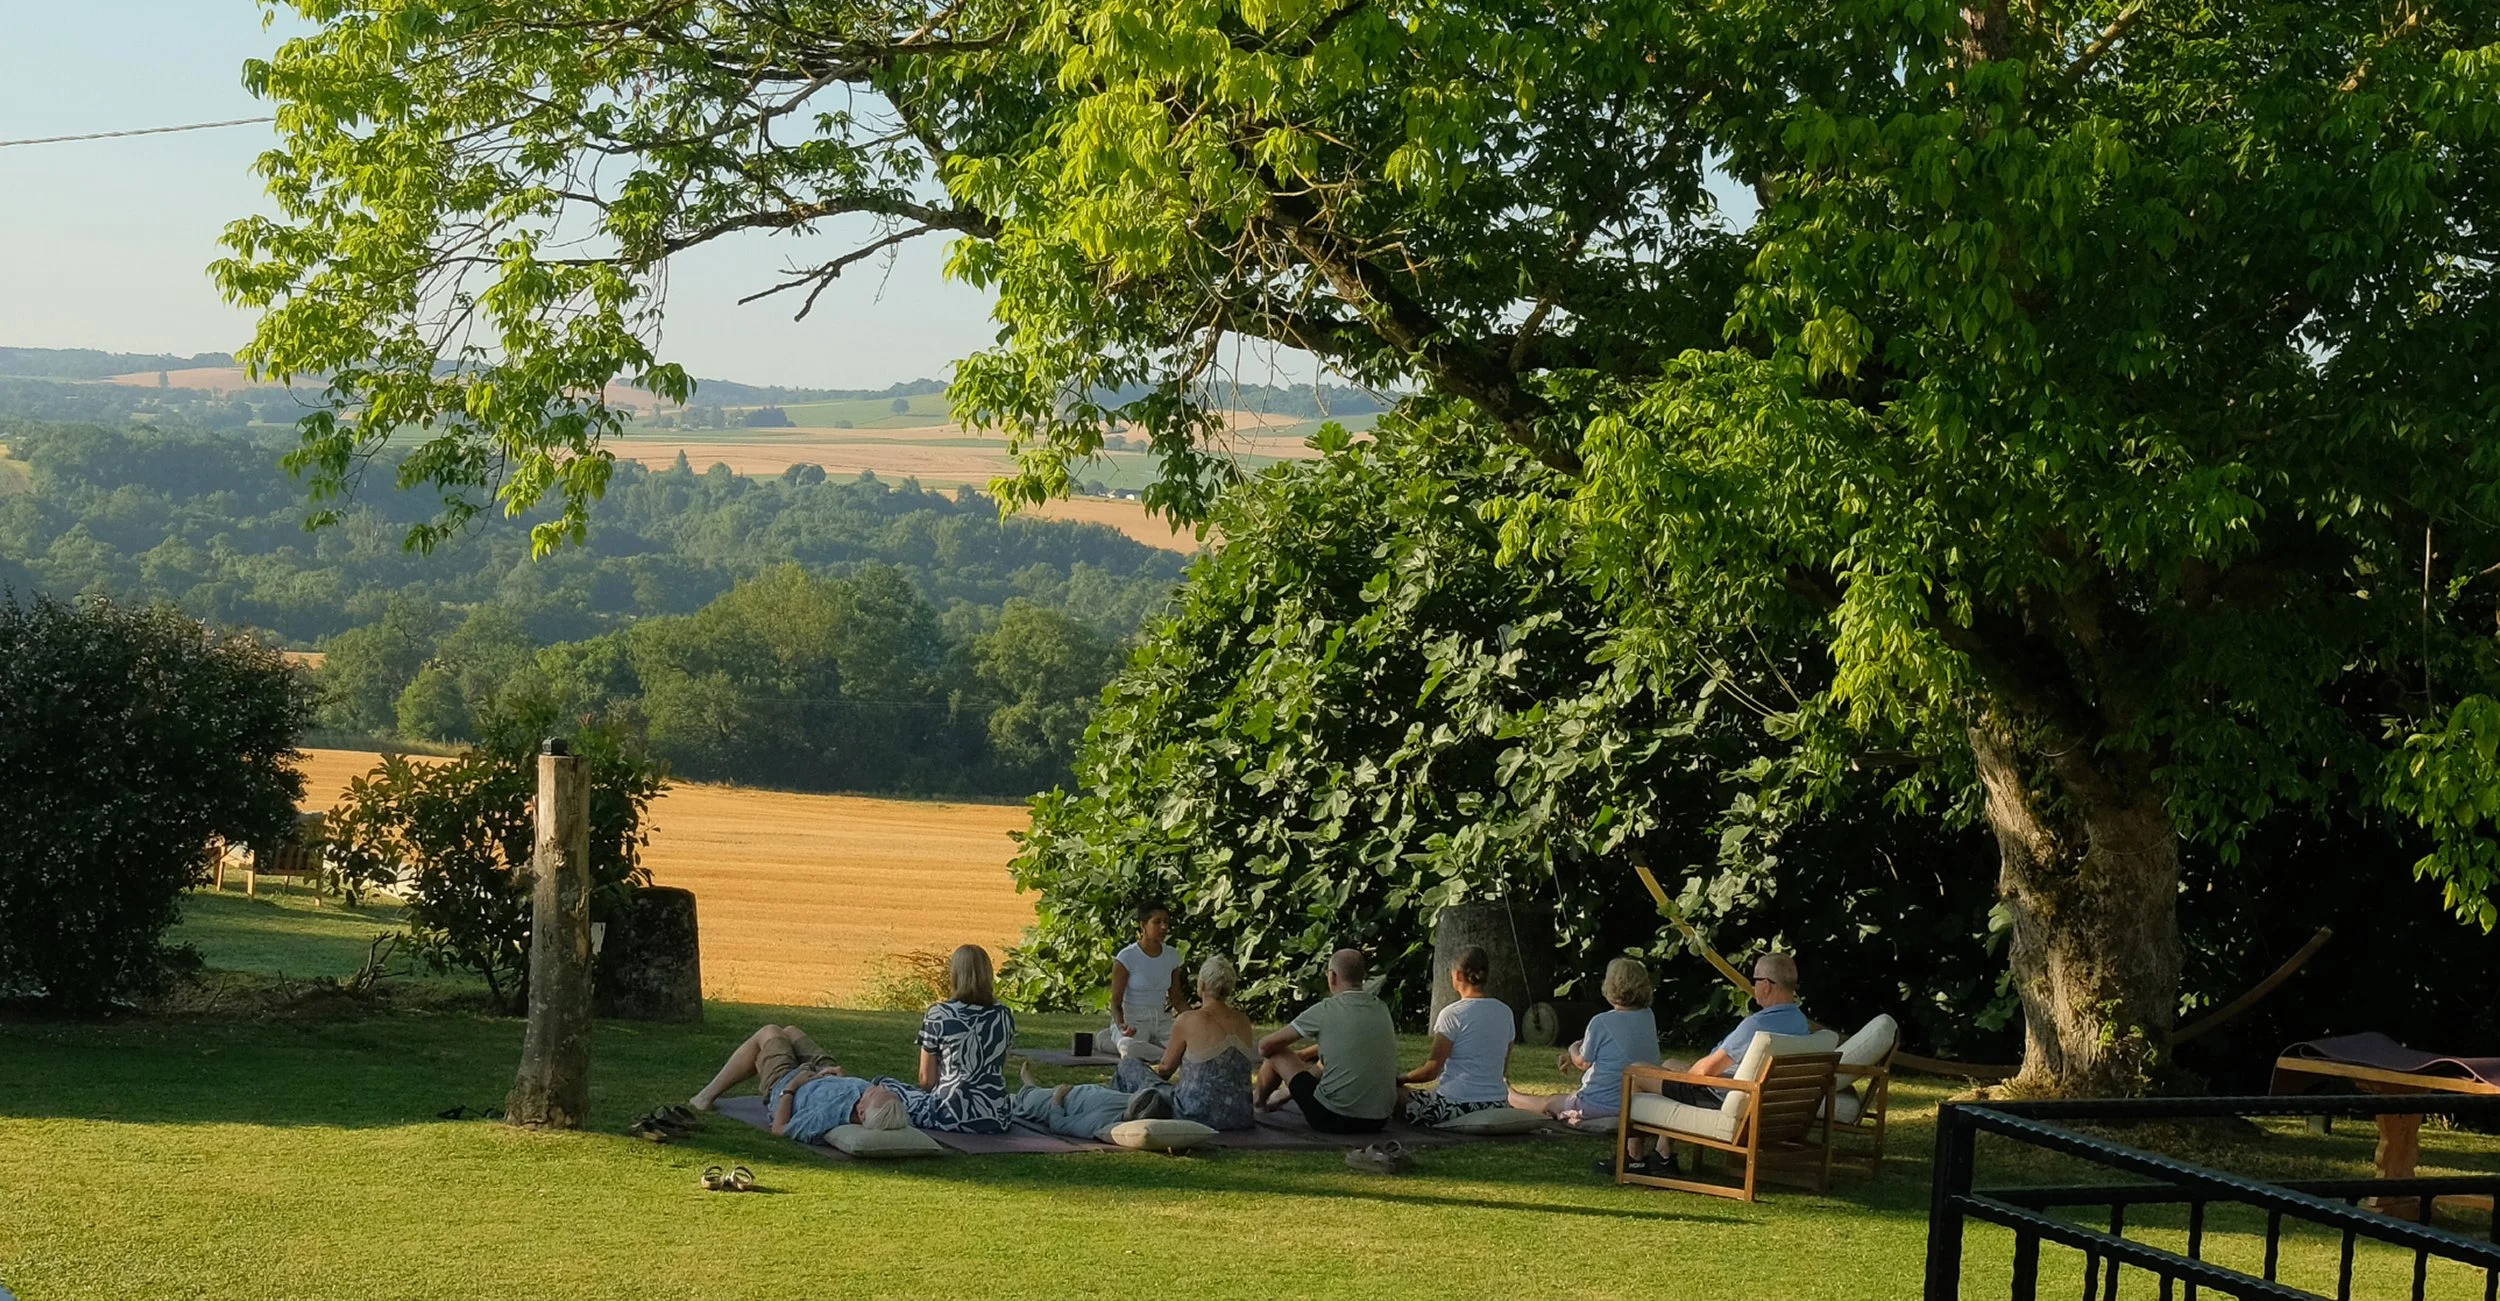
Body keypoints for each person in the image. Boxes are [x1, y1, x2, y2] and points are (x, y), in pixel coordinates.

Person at [869, 944, 1018, 1133]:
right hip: (996, 1116)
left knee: (883, 1083)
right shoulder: (1003, 1015)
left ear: (955, 975)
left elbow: (926, 1080)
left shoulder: (939, 1014)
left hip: (948, 1115)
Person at [1255, 948, 1398, 1135]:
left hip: (1332, 1118)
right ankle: (1279, 1097)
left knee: (1278, 1053)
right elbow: (1344, 1049)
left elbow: (1266, 1046)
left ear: (1332, 977)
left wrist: (1294, 1059)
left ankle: (1257, 1104)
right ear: (1363, 977)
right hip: (1378, 1120)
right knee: (1327, 1066)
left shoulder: (1326, 1009)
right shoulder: (1381, 1009)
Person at [685, 1023, 910, 1142]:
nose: (876, 1088)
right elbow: (859, 1090)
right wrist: (840, 1075)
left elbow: (780, 1129)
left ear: (861, 1113)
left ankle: (705, 1097)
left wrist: (791, 1087)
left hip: (788, 1081)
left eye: (872, 1094)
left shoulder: (823, 1118)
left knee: (769, 1032)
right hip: (825, 1073)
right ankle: (767, 1057)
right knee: (790, 1031)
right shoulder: (868, 1101)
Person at [1510, 956, 1659, 1126]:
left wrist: (1573, 1048)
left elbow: (1582, 1062)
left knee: (1549, 1102)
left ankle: (1510, 1096)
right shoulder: (1647, 1016)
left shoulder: (1601, 1022)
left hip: (1602, 1104)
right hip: (1637, 1102)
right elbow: (1613, 1041)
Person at [1656, 951, 1811, 1104]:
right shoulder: (1800, 1022)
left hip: (1719, 1095)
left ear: (1766, 986)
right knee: (1669, 1063)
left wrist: (1685, 1075)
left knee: (1638, 1072)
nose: (1753, 985)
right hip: (1768, 1100)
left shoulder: (1757, 1026)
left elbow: (1705, 1072)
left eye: (1755, 979)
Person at [1399, 944, 1516, 1127]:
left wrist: (1401, 1078)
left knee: (1396, 1095)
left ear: (1458, 975)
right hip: (1496, 1102)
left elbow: (1431, 1071)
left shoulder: (1452, 1014)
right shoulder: (1505, 1012)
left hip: (1456, 1103)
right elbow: (1503, 1068)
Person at [1141, 954, 1260, 1130]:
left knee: (1129, 1067)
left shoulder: (1187, 1019)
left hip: (1194, 1114)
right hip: (1240, 1117)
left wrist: (1146, 1073)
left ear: (1201, 985)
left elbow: (1166, 1069)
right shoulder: (1244, 1021)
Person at [1102, 901, 1186, 1080]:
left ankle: (1108, 1040)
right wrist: (1121, 1025)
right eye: (1157, 922)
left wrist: (1200, 1020)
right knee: (1129, 1048)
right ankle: (1169, 1055)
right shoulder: (1126, 957)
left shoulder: (1172, 955)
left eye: (1166, 922)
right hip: (1133, 1019)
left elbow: (1177, 998)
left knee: (1194, 1042)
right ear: (1143, 926)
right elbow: (1115, 1002)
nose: (1163, 927)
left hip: (1161, 1020)